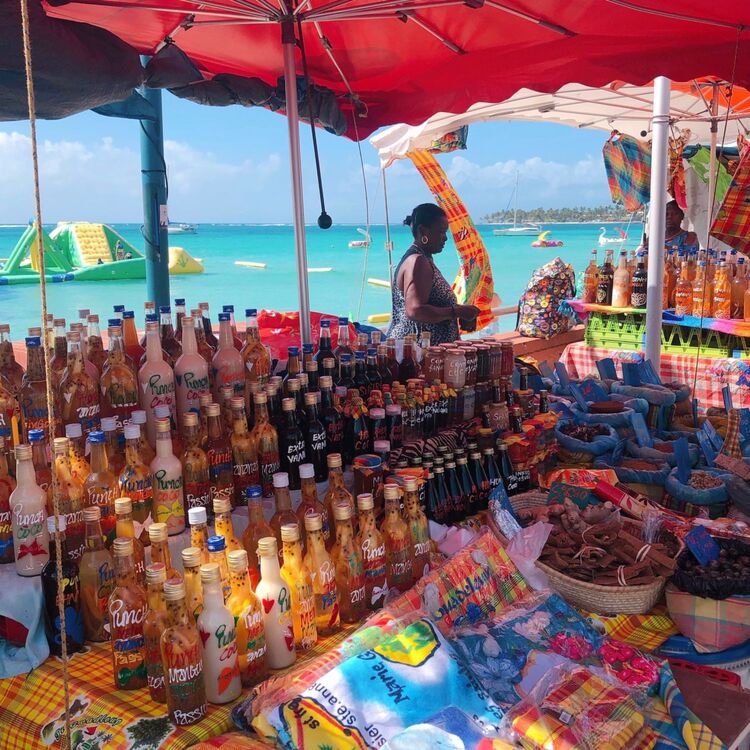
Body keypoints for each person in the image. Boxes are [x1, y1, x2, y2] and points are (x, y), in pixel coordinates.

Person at [387, 203, 480, 345]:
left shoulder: (423, 258)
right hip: (416, 353)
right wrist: (456, 312)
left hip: (426, 352)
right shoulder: (418, 261)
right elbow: (415, 310)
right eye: (441, 232)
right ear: (423, 231)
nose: (445, 238)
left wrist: (458, 311)